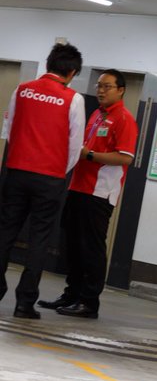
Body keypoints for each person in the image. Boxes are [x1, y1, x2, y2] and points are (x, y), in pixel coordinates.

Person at [38, 69, 138, 319]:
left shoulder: (124, 119)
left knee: (91, 247)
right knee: (72, 244)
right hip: (78, 187)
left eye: (107, 86)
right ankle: (71, 294)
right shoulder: (96, 114)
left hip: (99, 192)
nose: (101, 91)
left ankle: (89, 302)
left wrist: (89, 155)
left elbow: (125, 157)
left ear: (121, 90)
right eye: (99, 86)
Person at [0, 43, 87, 319]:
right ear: (72, 73)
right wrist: (59, 172)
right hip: (50, 177)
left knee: (4, 233)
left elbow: (9, 129)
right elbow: (75, 146)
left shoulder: (22, 89)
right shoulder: (73, 99)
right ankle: (24, 303)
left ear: (48, 64)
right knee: (39, 239)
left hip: (16, 171)